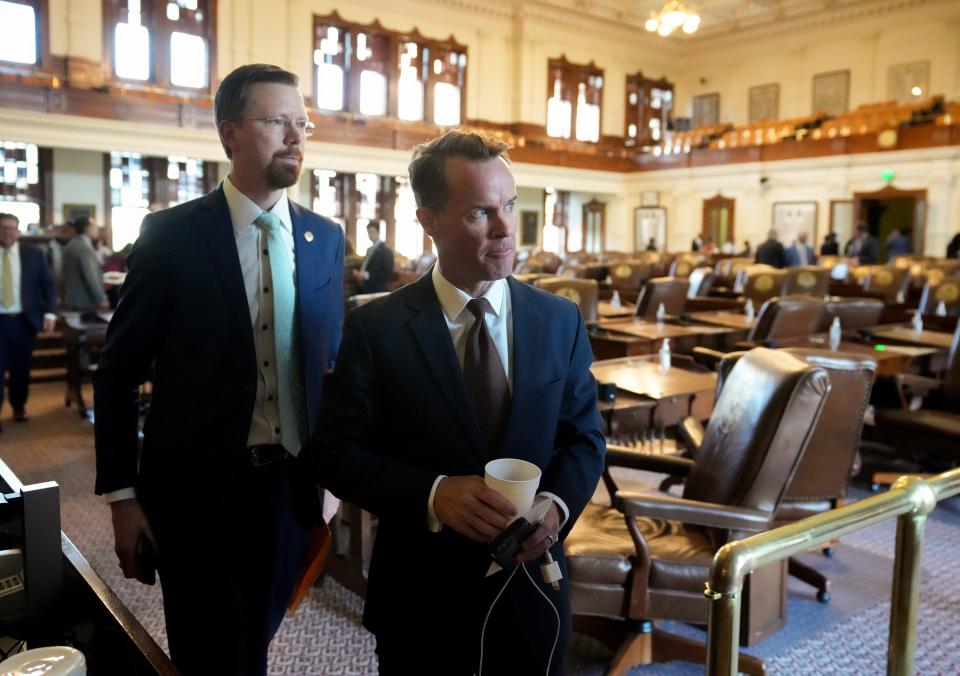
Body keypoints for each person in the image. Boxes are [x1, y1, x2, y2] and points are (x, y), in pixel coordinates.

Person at [305, 130, 605, 675]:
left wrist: (556, 505)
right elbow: (333, 453)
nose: (505, 228)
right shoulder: (377, 327)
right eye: (480, 213)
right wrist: (433, 493)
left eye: (510, 206)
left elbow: (584, 438)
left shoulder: (557, 319)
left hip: (533, 588)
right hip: (422, 597)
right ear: (428, 220)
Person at [94, 64, 344, 675]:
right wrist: (123, 498)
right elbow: (118, 372)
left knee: (251, 642)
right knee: (211, 652)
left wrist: (335, 478)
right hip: (198, 494)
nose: (296, 135)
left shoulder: (324, 239)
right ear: (230, 134)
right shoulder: (170, 236)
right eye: (276, 121)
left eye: (302, 122)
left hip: (293, 492)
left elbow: (331, 368)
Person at [0, 213, 56, 432]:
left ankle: (18, 407)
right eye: (3, 227)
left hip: (24, 322)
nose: (7, 232)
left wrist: (50, 313)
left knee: (21, 370)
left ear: (18, 231)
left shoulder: (33, 254)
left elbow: (48, 286)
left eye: (12, 228)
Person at [61, 216, 106, 312]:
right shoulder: (85, 248)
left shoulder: (70, 244)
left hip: (71, 299)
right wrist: (101, 299)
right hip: (84, 301)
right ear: (88, 228)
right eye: (94, 226)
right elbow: (90, 276)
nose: (97, 229)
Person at [354, 220, 395, 293]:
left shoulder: (386, 251)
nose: (370, 235)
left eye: (372, 232)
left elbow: (387, 273)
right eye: (368, 232)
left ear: (378, 232)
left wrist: (366, 275)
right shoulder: (369, 249)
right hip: (366, 287)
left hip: (377, 289)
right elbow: (367, 266)